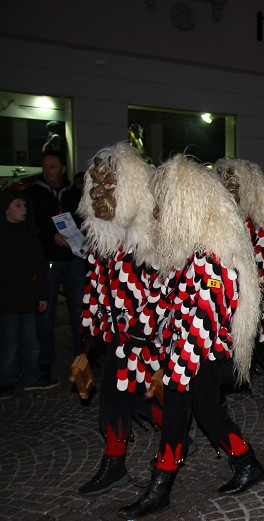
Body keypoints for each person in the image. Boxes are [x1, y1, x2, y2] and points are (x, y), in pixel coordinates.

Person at [118, 154, 264, 519]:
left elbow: (206, 319)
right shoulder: (187, 251)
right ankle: (238, 464)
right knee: (196, 415)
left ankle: (167, 483)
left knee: (198, 414)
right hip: (181, 352)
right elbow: (168, 299)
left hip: (202, 354)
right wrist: (145, 331)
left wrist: (176, 368)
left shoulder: (215, 256)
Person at [76, 143, 165, 496]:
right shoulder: (103, 237)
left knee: (158, 398)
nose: (101, 195)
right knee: (114, 401)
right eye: (95, 188)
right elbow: (97, 286)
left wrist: (145, 331)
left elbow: (166, 289)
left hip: (150, 340)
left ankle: (174, 445)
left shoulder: (152, 235)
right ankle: (114, 463)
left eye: (109, 187)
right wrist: (92, 331)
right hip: (120, 338)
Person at [214, 158, 264, 409]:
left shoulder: (258, 226)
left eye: (233, 189)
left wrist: (259, 301)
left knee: (260, 339)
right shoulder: (224, 223)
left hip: (252, 296)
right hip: (226, 295)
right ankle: (232, 383)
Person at [27, 150, 86, 384]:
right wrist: (50, 236)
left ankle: (82, 358)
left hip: (74, 259)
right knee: (46, 313)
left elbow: (83, 221)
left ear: (62, 169)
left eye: (52, 166)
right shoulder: (34, 194)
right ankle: (45, 362)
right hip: (49, 259)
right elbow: (31, 226)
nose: (48, 171)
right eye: (45, 166)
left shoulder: (74, 195)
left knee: (78, 311)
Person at [0, 189, 50, 399]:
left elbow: (39, 266)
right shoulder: (3, 235)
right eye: (17, 206)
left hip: (28, 298)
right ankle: (6, 381)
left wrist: (42, 294)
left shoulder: (30, 233)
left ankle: (32, 376)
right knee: (8, 343)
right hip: (7, 300)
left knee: (30, 340)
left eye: (24, 205)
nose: (23, 210)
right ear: (6, 210)